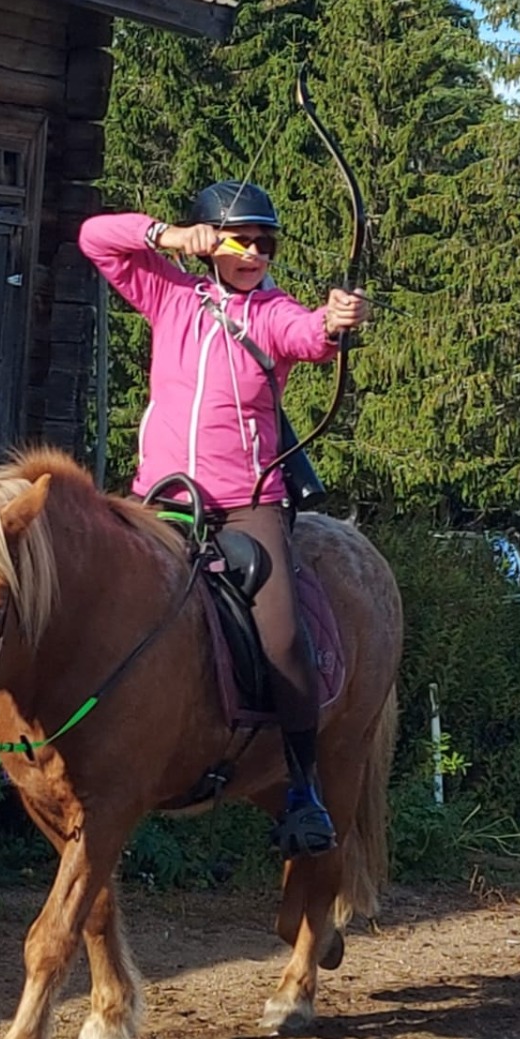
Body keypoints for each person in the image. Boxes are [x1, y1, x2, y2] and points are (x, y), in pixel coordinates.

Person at [79, 179, 371, 858]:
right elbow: (94, 237)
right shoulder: (170, 294)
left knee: (281, 638)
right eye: (239, 239)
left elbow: (310, 336)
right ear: (211, 244)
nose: (253, 252)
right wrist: (167, 237)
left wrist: (334, 320)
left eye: (265, 242)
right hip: (160, 501)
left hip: (246, 504)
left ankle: (301, 790)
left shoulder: (272, 314)